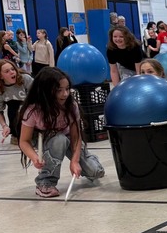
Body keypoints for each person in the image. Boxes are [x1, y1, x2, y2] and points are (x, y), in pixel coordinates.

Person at [18, 67, 104, 198]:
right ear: (45, 90)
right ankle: (45, 182)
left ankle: (89, 159)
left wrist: (74, 161)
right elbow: (24, 141)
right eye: (59, 90)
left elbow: (76, 137)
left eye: (67, 88)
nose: (65, 94)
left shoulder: (71, 105)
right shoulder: (33, 110)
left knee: (95, 172)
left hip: (68, 136)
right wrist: (34, 157)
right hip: (47, 139)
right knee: (59, 140)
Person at [0, 59, 33, 145]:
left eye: (13, 69)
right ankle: (15, 134)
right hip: (15, 113)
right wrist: (4, 126)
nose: (12, 72)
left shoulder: (25, 79)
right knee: (13, 109)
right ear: (0, 76)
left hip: (31, 106)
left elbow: (39, 97)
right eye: (7, 71)